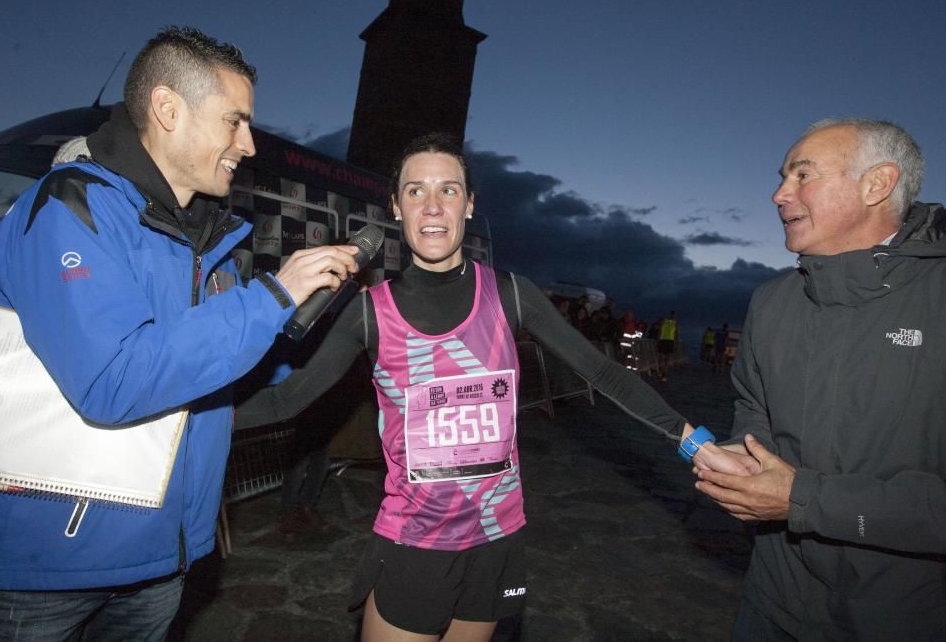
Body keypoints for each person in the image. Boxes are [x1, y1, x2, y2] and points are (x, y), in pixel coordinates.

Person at [0, 26, 359, 640]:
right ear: (168, 109)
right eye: (234, 121)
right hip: (47, 570)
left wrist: (331, 326)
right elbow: (115, 381)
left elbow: (224, 378)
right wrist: (272, 296)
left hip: (162, 559)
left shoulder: (208, 240)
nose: (247, 144)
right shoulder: (72, 209)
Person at [252, 133, 746, 641]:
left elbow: (602, 372)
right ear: (395, 208)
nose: (432, 205)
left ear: (469, 204)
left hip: (495, 535)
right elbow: (288, 398)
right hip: (416, 540)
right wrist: (175, 417)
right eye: (415, 191)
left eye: (449, 190)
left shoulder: (511, 294)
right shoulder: (368, 312)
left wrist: (693, 441)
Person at [694, 119, 946, 639]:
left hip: (908, 617)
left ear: (876, 184)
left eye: (802, 175)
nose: (778, 194)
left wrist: (805, 500)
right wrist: (743, 463)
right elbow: (753, 413)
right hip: (772, 603)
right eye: (783, 177)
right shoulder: (772, 300)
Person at [656, 310, 678, 381]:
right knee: (666, 359)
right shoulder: (675, 323)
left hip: (663, 340)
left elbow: (660, 331)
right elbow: (676, 334)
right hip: (670, 341)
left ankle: (661, 372)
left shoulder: (663, 321)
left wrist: (658, 340)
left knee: (662, 358)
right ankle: (664, 374)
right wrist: (675, 344)